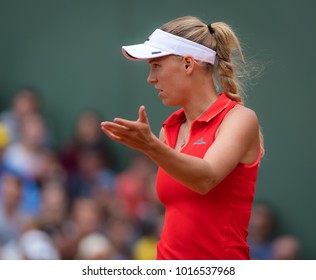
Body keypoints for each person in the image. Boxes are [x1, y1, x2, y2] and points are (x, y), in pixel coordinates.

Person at [100, 16, 264, 260]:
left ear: (188, 64)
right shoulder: (169, 129)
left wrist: (150, 146)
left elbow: (205, 179)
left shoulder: (240, 119)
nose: (150, 78)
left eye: (156, 65)